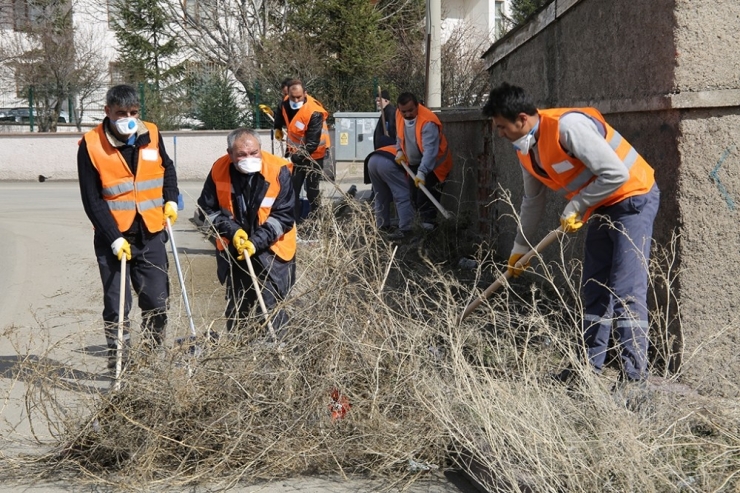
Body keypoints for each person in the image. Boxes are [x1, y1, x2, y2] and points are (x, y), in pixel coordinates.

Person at [482, 82, 660, 383]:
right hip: (603, 207)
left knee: (626, 290)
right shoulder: (526, 149)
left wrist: (577, 204)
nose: (498, 133)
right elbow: (532, 201)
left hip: (634, 199)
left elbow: (616, 173)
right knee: (594, 288)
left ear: (522, 119)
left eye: (501, 126)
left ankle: (635, 380)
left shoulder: (568, 128)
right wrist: (520, 248)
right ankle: (586, 370)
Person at [77, 84, 179, 370]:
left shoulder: (151, 133)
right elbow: (92, 199)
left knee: (157, 302)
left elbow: (167, 170)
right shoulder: (91, 144)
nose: (128, 117)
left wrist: (170, 200)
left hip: (151, 233)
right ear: (107, 111)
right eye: (121, 112)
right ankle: (119, 360)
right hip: (114, 237)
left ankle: (151, 356)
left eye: (133, 112)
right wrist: (113, 237)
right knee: (117, 308)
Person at [197, 128, 296, 337]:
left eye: (254, 153)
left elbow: (284, 216)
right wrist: (232, 231)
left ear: (261, 149)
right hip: (236, 252)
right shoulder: (219, 169)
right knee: (239, 308)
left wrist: (256, 242)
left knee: (272, 308)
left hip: (273, 252)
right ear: (230, 153)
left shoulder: (278, 170)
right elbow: (207, 210)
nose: (249, 158)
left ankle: (275, 357)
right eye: (241, 154)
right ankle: (240, 355)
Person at [394, 92, 453, 230]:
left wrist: (422, 172)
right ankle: (422, 229)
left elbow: (430, 152)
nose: (407, 114)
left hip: (435, 167)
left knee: (426, 202)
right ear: (399, 109)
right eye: (404, 111)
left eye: (411, 110)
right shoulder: (398, 115)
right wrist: (399, 150)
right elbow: (399, 135)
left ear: (417, 106)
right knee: (414, 199)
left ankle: (428, 234)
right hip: (414, 164)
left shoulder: (428, 122)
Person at [362, 89, 413, 238]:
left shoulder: (391, 113)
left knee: (381, 196)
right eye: (376, 99)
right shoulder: (388, 114)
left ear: (387, 100)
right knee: (402, 194)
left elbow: (396, 134)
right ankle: (406, 229)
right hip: (387, 159)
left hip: (373, 159)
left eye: (380, 99)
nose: (377, 102)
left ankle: (383, 225)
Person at [279, 80, 331, 221]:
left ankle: (316, 222)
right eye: (292, 97)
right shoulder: (285, 103)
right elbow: (281, 112)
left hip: (314, 156)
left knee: (312, 191)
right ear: (287, 94)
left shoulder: (314, 112)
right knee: (292, 190)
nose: (295, 100)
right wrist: (277, 126)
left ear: (305, 94)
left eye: (299, 97)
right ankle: (293, 223)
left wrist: (292, 158)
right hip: (295, 154)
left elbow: (312, 144)